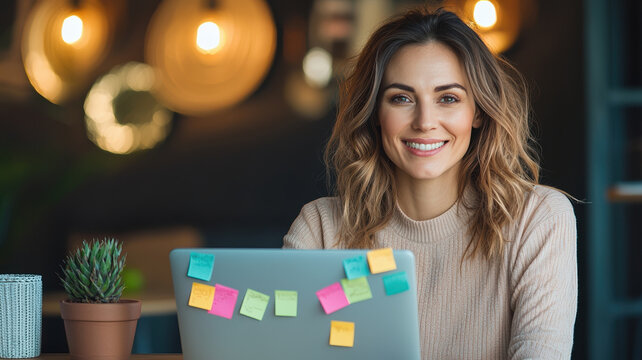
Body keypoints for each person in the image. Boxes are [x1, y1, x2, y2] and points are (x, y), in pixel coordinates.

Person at [283, 7, 577, 359]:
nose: (425, 122)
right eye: (401, 98)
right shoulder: (321, 229)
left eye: (448, 98)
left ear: (478, 111)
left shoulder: (539, 218)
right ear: (376, 113)